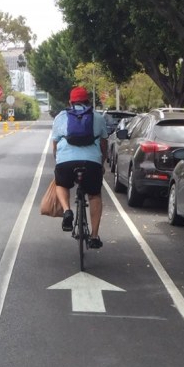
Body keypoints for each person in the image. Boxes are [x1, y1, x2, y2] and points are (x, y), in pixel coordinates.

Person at [51, 86, 108, 249]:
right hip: (92, 163)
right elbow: (104, 143)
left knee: (61, 184)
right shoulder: (97, 117)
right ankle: (94, 236)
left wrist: (57, 160)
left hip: (66, 161)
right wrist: (102, 162)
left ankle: (67, 210)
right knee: (95, 195)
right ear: (87, 101)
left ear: (70, 102)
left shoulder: (61, 117)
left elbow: (55, 144)